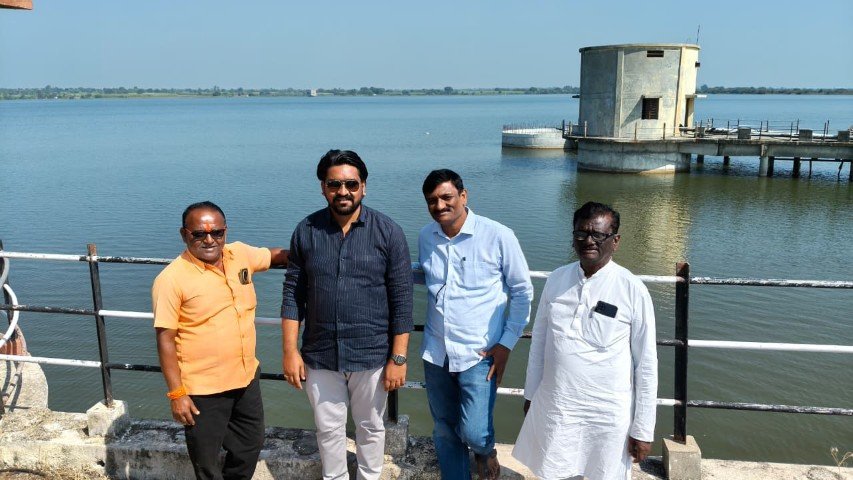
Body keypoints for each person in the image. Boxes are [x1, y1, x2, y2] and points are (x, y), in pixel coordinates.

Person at [281, 149, 413, 480]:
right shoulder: (307, 231)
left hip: (371, 353)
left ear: (363, 187)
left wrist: (398, 358)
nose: (343, 191)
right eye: (334, 184)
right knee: (327, 429)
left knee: (371, 427)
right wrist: (289, 351)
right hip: (320, 352)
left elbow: (402, 298)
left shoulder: (388, 232)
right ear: (323, 187)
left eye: (351, 184)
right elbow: (293, 294)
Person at [512, 201, 658, 480]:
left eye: (598, 235)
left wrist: (642, 429)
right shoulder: (557, 279)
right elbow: (539, 343)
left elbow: (646, 364)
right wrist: (531, 395)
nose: (588, 241)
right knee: (554, 471)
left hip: (606, 415)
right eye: (581, 233)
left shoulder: (632, 289)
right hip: (557, 406)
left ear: (615, 241)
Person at [152, 201, 288, 480]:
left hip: (246, 378)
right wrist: (177, 394)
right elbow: (165, 339)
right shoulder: (171, 279)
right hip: (203, 388)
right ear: (184, 234)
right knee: (206, 460)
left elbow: (276, 256)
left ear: (225, 231)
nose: (209, 239)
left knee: (249, 445)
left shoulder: (239, 254)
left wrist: (319, 250)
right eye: (199, 234)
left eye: (217, 232)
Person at [418, 169, 534, 480]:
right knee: (444, 428)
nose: (440, 206)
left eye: (446, 197)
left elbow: (522, 291)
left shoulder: (498, 235)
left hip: (480, 353)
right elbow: (426, 277)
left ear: (463, 195)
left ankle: (485, 450)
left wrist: (507, 343)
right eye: (432, 201)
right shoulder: (426, 237)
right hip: (436, 350)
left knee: (474, 430)